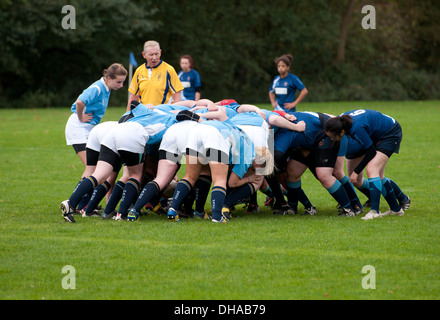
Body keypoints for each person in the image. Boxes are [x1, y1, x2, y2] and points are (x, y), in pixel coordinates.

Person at [60, 102, 178, 222]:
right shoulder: (175, 125)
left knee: (99, 175)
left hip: (113, 132)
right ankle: (121, 214)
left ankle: (71, 203)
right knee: (135, 175)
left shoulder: (154, 112)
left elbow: (134, 104)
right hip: (132, 135)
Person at [270, 111, 358, 216]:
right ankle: (293, 208)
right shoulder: (266, 134)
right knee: (292, 172)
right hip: (306, 139)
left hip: (325, 133)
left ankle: (349, 209)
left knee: (325, 175)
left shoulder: (274, 137)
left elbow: (271, 163)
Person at [324, 109, 407, 220]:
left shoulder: (356, 128)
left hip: (390, 133)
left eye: (333, 137)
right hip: (379, 133)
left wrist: (356, 171)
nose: (332, 139)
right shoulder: (340, 122)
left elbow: (371, 151)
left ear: (341, 132)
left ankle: (375, 211)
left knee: (372, 169)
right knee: (379, 175)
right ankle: (396, 210)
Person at [65, 63, 127, 169]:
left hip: (88, 129)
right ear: (108, 78)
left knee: (97, 168)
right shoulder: (97, 88)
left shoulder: (106, 88)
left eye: (123, 82)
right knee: (92, 168)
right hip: (77, 128)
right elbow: (80, 102)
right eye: (118, 82)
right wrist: (81, 117)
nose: (121, 85)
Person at [127, 40, 184, 111]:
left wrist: (177, 114)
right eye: (151, 55)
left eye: (156, 54)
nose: (154, 58)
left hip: (164, 114)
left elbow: (177, 96)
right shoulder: (139, 71)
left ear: (160, 52)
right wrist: (127, 116)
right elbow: (133, 96)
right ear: (144, 55)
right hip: (145, 114)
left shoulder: (169, 70)